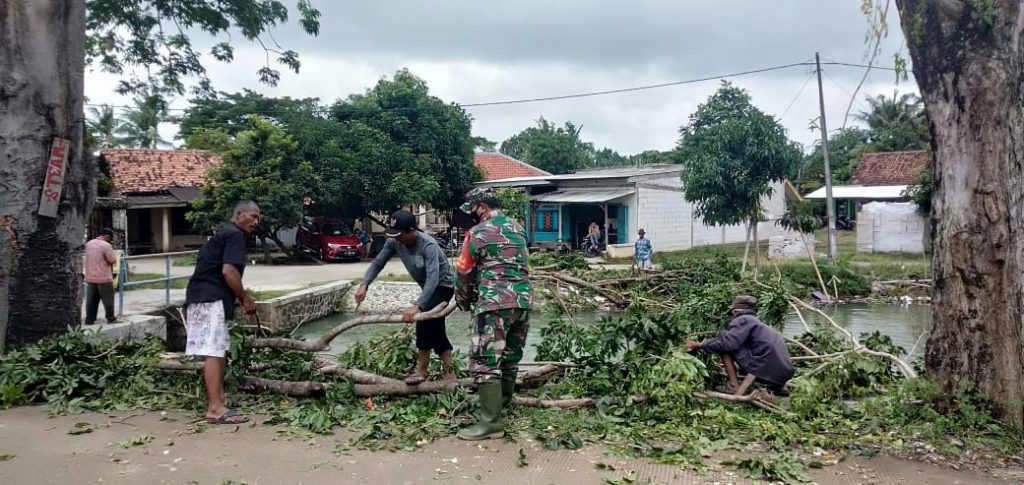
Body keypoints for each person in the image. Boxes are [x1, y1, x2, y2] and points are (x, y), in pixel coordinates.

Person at [454, 188, 533, 441]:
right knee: (510, 356)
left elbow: (464, 271)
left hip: (493, 303)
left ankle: (491, 424)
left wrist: (463, 301)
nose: (472, 217)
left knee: (485, 360)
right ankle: (503, 405)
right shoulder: (519, 229)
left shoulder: (476, 234)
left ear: (482, 207)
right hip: (522, 302)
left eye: (472, 211)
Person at [355, 210, 456, 384]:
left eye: (400, 234)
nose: (397, 239)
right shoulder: (394, 241)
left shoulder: (428, 245)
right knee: (437, 331)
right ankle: (450, 374)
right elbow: (378, 262)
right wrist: (364, 284)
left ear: (412, 230)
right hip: (428, 288)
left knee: (423, 323)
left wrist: (417, 305)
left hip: (443, 287)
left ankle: (421, 372)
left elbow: (433, 279)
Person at [184, 200, 261, 425]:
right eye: (253, 216)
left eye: (258, 218)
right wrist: (245, 298)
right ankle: (215, 408)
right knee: (214, 351)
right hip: (210, 298)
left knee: (216, 350)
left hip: (201, 297)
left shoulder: (225, 234)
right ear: (239, 215)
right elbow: (229, 271)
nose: (256, 222)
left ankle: (219, 399)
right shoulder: (234, 234)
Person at [685, 295, 794, 396]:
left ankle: (734, 386)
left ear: (735, 312)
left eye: (731, 316)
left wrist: (700, 345)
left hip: (763, 369)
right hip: (784, 372)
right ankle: (779, 387)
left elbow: (728, 344)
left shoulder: (743, 320)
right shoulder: (759, 325)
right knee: (728, 341)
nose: (731, 320)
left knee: (723, 338)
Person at [84, 228, 117, 325]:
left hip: (90, 277)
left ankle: (89, 320)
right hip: (104, 277)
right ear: (106, 236)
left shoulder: (89, 244)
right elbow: (112, 260)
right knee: (108, 300)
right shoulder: (106, 245)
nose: (110, 240)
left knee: (91, 300)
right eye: (110, 238)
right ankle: (111, 318)